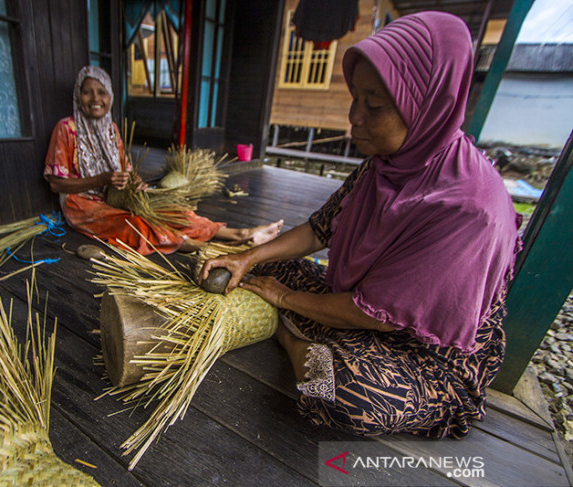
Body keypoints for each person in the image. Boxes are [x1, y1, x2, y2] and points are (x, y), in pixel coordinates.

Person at [200, 11, 521, 438]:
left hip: (427, 351)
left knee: (336, 393)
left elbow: (382, 316)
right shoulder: (387, 163)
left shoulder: (469, 208)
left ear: (427, 104)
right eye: (356, 98)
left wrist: (285, 299)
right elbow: (318, 229)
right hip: (357, 303)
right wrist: (247, 256)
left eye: (374, 106)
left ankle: (291, 337)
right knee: (246, 270)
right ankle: (302, 326)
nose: (354, 117)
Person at [44, 66, 283, 255]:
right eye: (87, 92)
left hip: (114, 197)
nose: (95, 98)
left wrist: (135, 183)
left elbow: (124, 168)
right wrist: (102, 179)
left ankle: (240, 234)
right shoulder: (66, 129)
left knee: (174, 211)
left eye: (101, 92)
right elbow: (56, 184)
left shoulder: (111, 129)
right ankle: (198, 246)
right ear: (78, 96)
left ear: (110, 96)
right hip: (82, 205)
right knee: (135, 224)